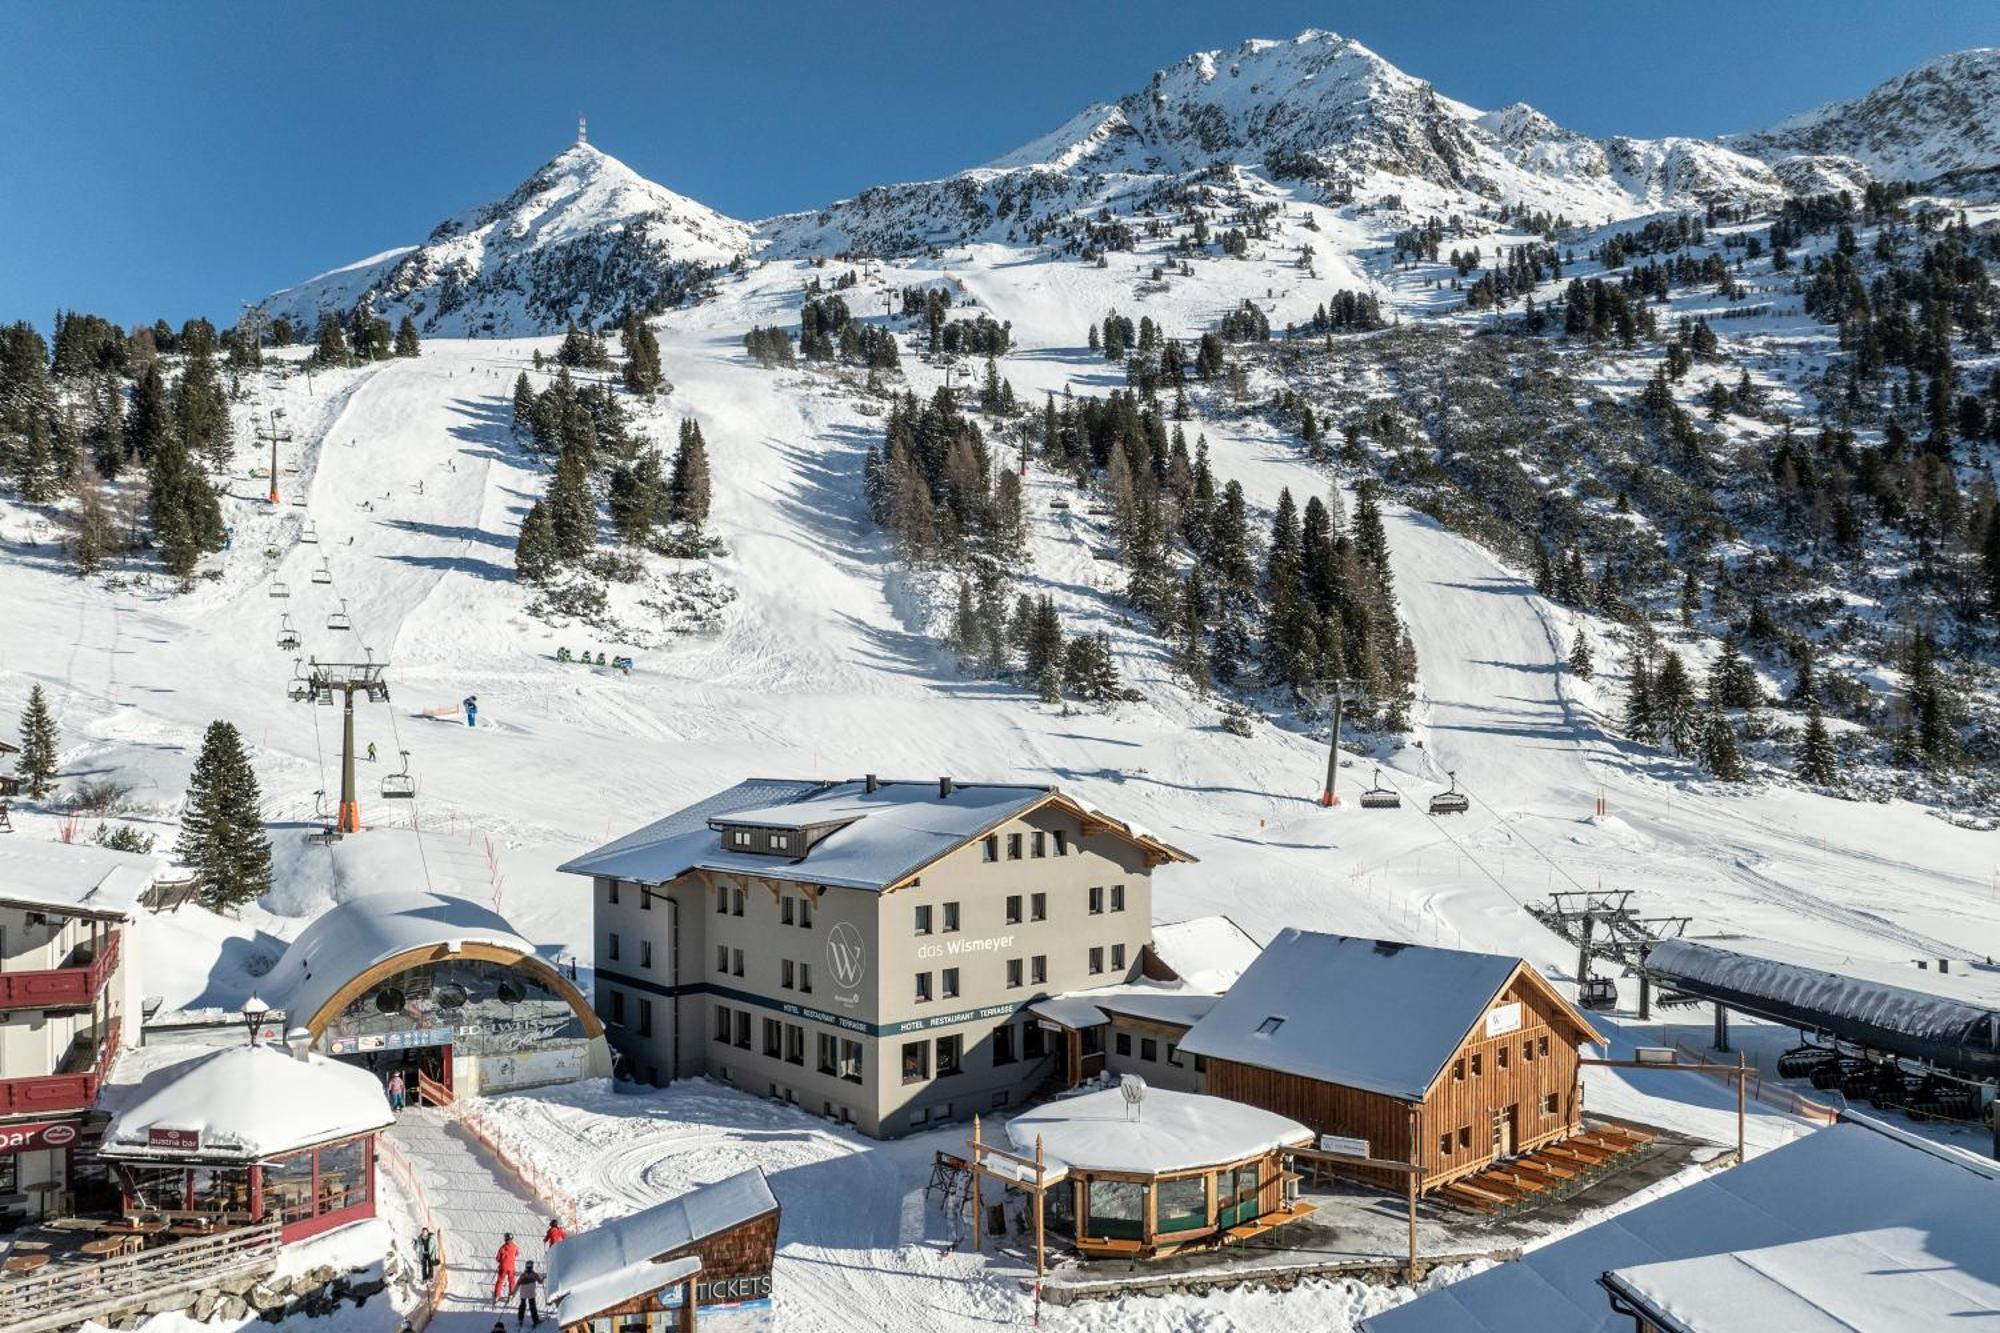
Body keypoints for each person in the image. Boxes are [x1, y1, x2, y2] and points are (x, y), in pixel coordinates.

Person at [515, 1260, 545, 1326]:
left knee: (522, 1305)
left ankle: (520, 1319)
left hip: (523, 1293)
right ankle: (535, 1320)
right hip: (531, 1293)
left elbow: (517, 1284)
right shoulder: (534, 1274)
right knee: (532, 1307)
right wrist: (543, 1278)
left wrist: (513, 1292)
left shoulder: (522, 1275)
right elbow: (540, 1282)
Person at [492, 1232, 519, 1302]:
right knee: (512, 1281)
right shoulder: (515, 1246)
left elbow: (497, 1258)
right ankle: (511, 1295)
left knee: (500, 1281)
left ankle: (497, 1296)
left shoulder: (502, 1248)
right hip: (511, 1267)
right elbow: (517, 1253)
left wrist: (501, 1260)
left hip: (503, 1267)